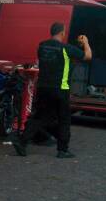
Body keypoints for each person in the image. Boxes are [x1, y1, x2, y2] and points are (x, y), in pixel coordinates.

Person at [13, 22, 92, 158]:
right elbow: (88, 56)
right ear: (62, 33)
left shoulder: (42, 46)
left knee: (39, 116)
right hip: (60, 88)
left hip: (43, 87)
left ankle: (22, 142)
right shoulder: (66, 48)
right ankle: (62, 150)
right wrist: (85, 43)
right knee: (64, 119)